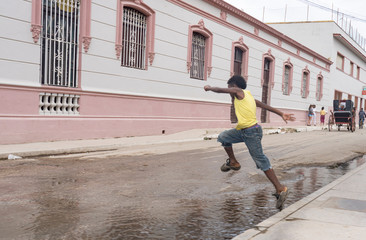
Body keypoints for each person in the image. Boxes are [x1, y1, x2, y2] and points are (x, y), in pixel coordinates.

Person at [204, 75, 295, 210]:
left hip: (251, 132)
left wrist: (210, 88)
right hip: (243, 131)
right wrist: (280, 113)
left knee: (260, 160)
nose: (230, 92)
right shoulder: (247, 96)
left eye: (231, 88)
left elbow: (222, 90)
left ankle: (280, 188)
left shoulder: (239, 92)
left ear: (235, 87)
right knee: (224, 137)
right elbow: (264, 105)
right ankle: (233, 162)